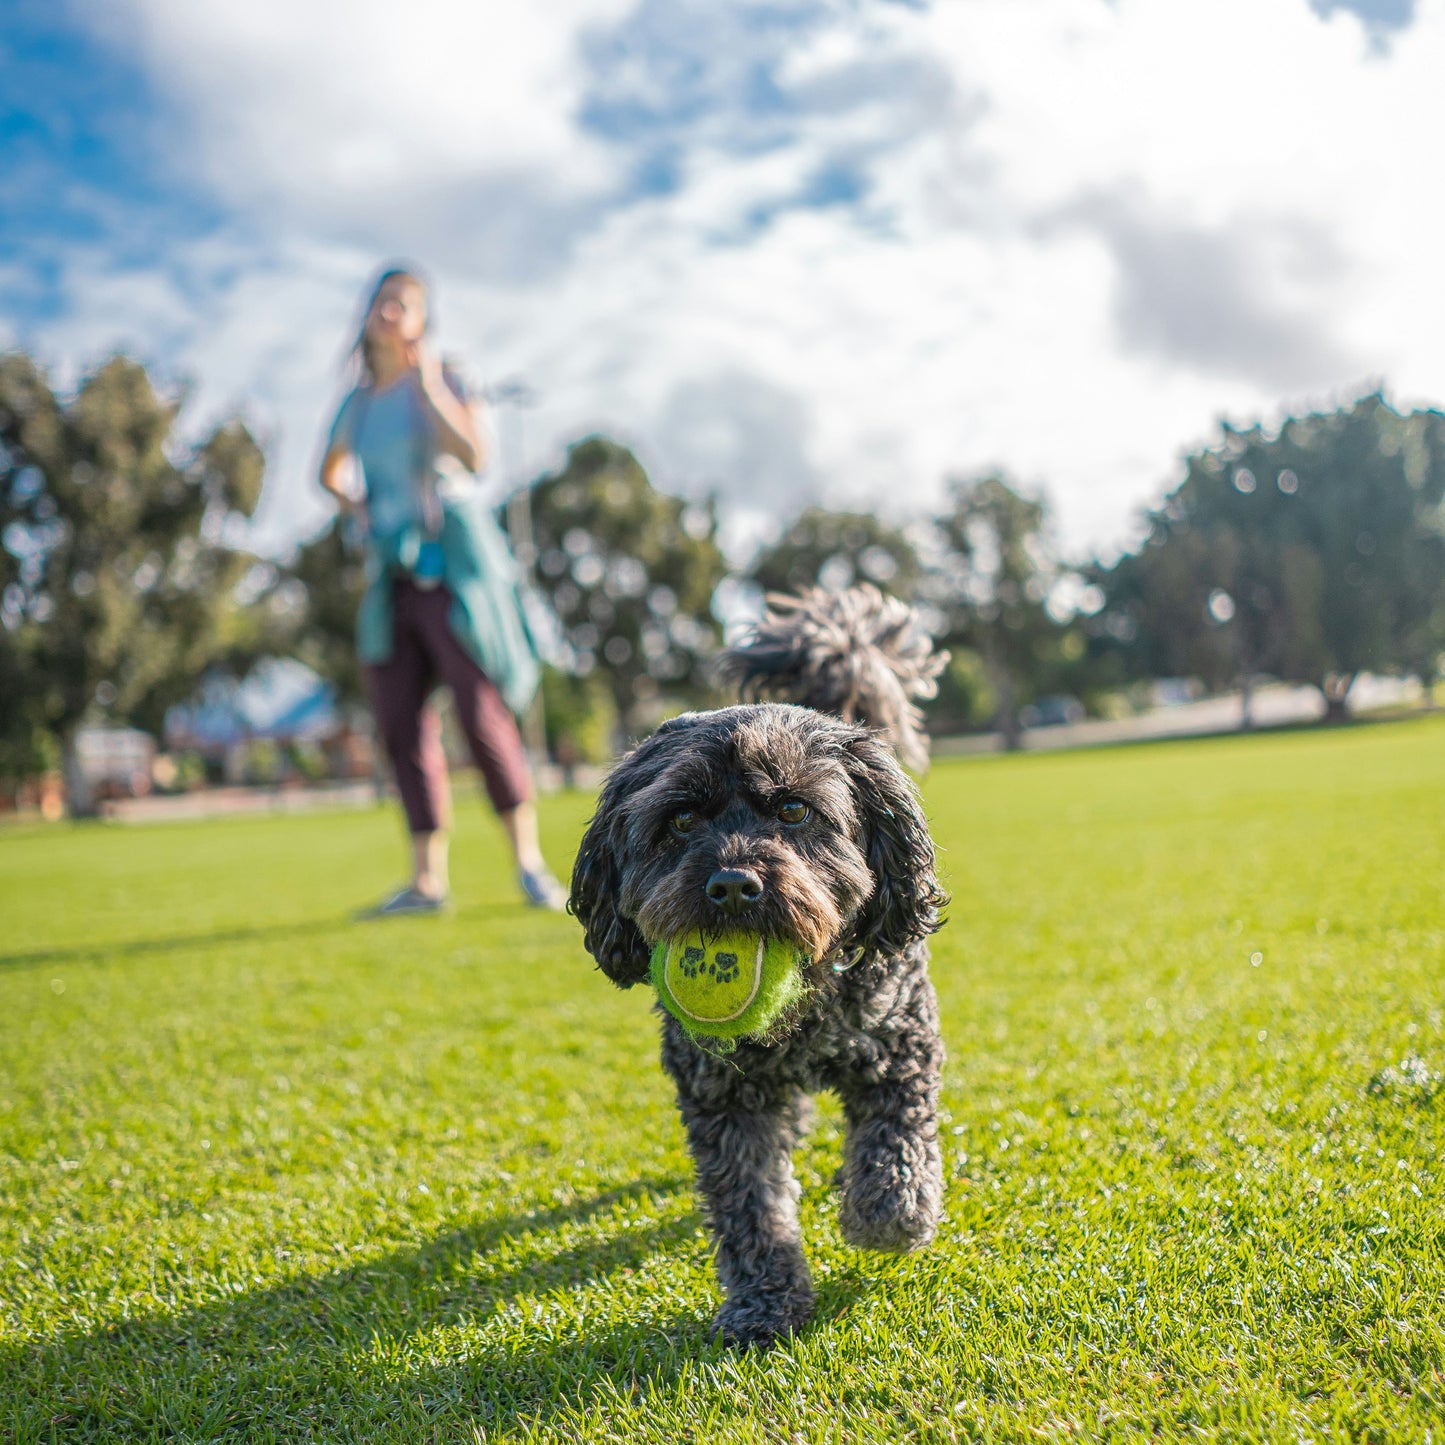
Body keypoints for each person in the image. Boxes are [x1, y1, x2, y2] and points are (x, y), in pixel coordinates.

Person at [320, 265, 565, 915]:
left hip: (450, 569)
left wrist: (427, 382)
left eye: (405, 304)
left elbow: (475, 457)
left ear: (423, 320)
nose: (390, 311)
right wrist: (355, 509)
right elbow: (329, 470)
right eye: (383, 301)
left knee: (480, 711)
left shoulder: (444, 377)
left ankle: (529, 864)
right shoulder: (359, 402)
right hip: (391, 574)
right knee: (401, 724)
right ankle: (427, 881)